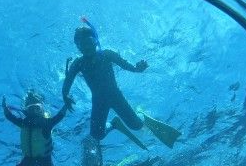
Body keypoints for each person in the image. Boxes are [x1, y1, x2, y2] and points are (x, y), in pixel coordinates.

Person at [61, 19, 180, 150]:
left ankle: (141, 116)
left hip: (115, 96)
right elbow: (68, 81)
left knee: (136, 126)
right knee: (97, 135)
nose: (86, 47)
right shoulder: (78, 63)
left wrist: (138, 68)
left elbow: (128, 66)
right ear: (78, 47)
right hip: (98, 100)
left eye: (88, 42)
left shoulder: (107, 54)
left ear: (95, 40)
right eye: (82, 44)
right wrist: (65, 95)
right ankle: (113, 124)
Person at [2, 89, 68, 166]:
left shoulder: (46, 124)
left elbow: (59, 117)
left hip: (45, 159)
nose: (34, 112)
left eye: (37, 108)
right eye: (31, 109)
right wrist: (4, 107)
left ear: (42, 110)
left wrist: (66, 105)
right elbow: (10, 117)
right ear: (27, 111)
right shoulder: (23, 123)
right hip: (28, 158)